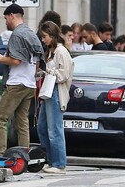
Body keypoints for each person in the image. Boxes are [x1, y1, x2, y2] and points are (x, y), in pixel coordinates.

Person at [0, 3, 45, 156]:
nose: (6, 22)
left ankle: (0, 154)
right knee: (22, 123)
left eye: (6, 18)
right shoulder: (32, 34)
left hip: (17, 83)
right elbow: (39, 61)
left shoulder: (17, 34)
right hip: (29, 84)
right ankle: (24, 156)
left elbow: (16, 61)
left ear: (12, 16)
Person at [37, 21, 74, 174]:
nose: (43, 39)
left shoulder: (61, 51)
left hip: (56, 92)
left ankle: (59, 163)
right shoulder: (52, 51)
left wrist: (48, 72)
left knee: (55, 129)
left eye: (45, 36)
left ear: (52, 35)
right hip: (49, 91)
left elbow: (64, 75)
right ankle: (52, 160)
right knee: (42, 127)